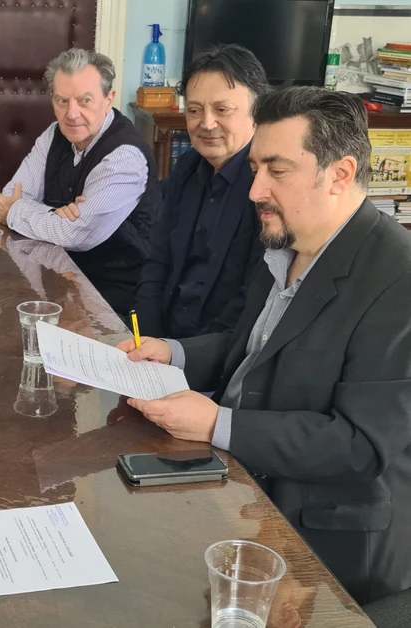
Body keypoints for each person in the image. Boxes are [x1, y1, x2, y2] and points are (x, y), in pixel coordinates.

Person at [120, 87, 411, 604]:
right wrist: (174, 352)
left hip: (323, 546)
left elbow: (360, 445)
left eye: (277, 170)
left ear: (340, 174)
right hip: (243, 486)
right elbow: (252, 347)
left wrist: (216, 423)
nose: (255, 190)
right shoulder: (287, 241)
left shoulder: (397, 278)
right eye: (255, 169)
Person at [0, 48, 162, 315]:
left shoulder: (125, 156)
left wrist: (16, 212)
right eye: (62, 101)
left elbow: (75, 234)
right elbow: (11, 194)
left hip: (115, 302)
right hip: (58, 283)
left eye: (85, 101)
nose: (71, 114)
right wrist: (54, 215)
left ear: (108, 100)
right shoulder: (54, 134)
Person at [130, 44, 268, 338]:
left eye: (222, 110)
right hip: (161, 342)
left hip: (217, 352)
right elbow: (157, 263)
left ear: (257, 113)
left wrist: (180, 355)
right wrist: (146, 339)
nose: (206, 123)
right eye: (194, 110)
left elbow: (251, 302)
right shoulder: (188, 167)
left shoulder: (267, 186)